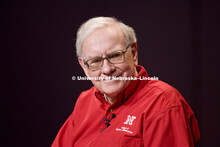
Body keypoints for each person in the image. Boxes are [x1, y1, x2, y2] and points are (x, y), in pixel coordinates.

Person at [52, 16, 200, 147]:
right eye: (95, 61)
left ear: (134, 53)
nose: (107, 69)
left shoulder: (163, 102)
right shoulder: (85, 101)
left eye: (115, 56)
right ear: (84, 66)